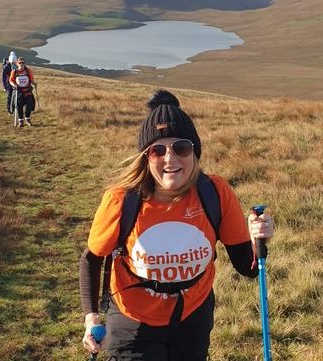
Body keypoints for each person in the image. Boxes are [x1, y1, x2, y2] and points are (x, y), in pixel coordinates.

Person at [78, 89, 275, 360]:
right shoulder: (122, 201)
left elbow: (248, 268)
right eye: (158, 150)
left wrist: (258, 240)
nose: (170, 159)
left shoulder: (214, 193)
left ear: (195, 153)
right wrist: (91, 318)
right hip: (133, 322)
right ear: (146, 158)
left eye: (181, 147)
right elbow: (92, 258)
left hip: (193, 317)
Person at [8, 57, 37, 127]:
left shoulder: (28, 71)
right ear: (17, 63)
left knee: (28, 107)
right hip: (19, 92)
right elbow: (10, 81)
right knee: (19, 106)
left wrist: (34, 83)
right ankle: (21, 121)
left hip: (27, 92)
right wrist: (14, 85)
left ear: (25, 63)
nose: (21, 64)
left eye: (23, 63)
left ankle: (28, 119)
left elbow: (31, 79)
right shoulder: (14, 72)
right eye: (20, 63)